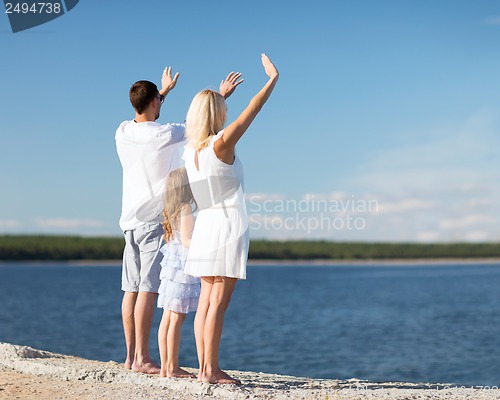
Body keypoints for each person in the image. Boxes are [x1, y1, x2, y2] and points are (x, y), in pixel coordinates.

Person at [115, 67, 243, 374]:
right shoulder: (164, 134)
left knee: (130, 288)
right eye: (159, 100)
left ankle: (131, 356)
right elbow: (196, 125)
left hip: (128, 220)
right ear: (155, 103)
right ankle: (143, 358)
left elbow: (146, 109)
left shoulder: (122, 130)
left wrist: (162, 91)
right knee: (148, 287)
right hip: (154, 219)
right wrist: (221, 96)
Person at [183, 53, 279, 384]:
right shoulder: (222, 145)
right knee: (217, 305)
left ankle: (204, 368)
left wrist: (219, 96)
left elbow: (203, 120)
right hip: (226, 226)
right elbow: (251, 111)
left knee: (206, 303)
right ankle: (210, 370)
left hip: (206, 225)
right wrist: (272, 80)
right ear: (217, 115)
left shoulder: (191, 150)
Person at [157, 167, 199, 378]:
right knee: (176, 318)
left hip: (171, 271)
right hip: (182, 270)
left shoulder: (170, 210)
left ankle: (165, 366)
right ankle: (172, 367)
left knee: (167, 317)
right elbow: (187, 240)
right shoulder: (186, 209)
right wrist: (205, 244)